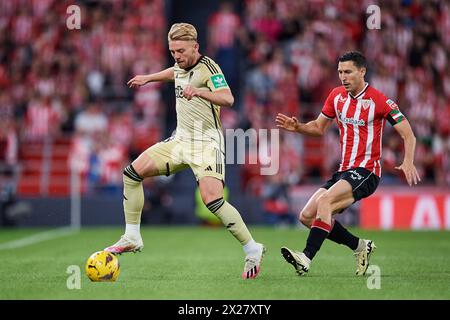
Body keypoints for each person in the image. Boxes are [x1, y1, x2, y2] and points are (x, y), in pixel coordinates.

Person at [104, 23, 265, 280]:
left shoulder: (210, 68)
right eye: (172, 51)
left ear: (195, 47)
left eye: (181, 50)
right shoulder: (180, 65)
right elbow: (174, 73)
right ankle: (132, 236)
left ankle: (252, 248)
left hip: (206, 144)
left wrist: (200, 92)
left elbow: (228, 98)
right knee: (132, 173)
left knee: (212, 200)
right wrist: (149, 78)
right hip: (179, 141)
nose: (177, 56)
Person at [275, 51, 421, 276]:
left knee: (325, 201)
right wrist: (299, 127)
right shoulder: (336, 96)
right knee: (306, 216)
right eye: (340, 72)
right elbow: (319, 127)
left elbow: (408, 134)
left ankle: (305, 258)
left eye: (348, 72)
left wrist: (408, 161)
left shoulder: (380, 101)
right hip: (344, 170)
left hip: (367, 171)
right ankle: (360, 246)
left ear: (362, 71)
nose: (343, 77)